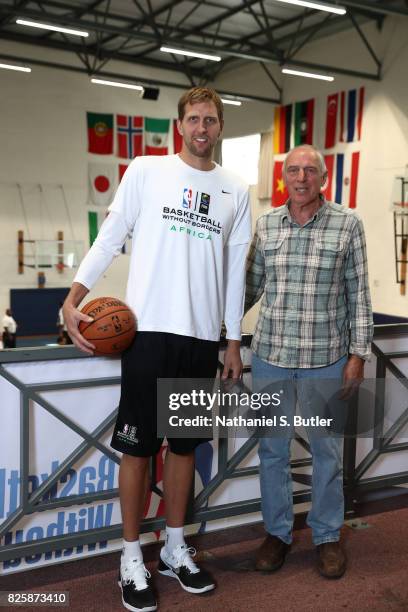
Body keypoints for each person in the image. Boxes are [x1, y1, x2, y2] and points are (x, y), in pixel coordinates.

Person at [63, 87, 251, 612]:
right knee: (138, 449)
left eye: (210, 120)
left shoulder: (237, 190)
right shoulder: (145, 171)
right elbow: (111, 235)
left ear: (219, 127)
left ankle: (173, 546)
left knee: (185, 448)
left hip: (199, 338)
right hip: (147, 334)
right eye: (193, 118)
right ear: (179, 125)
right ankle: (130, 555)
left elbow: (235, 272)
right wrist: (73, 296)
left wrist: (232, 338)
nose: (201, 128)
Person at [245, 144, 373, 579]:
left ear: (323, 178)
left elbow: (359, 297)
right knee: (273, 451)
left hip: (325, 360)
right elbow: (249, 288)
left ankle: (327, 536)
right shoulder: (266, 225)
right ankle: (277, 534)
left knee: (326, 453)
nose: (301, 178)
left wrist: (358, 356)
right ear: (284, 178)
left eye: (309, 171)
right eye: (293, 171)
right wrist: (215, 330)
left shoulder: (347, 225)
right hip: (270, 359)